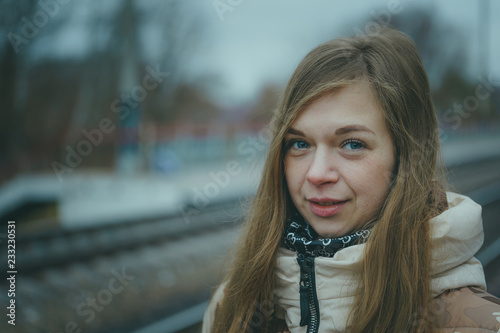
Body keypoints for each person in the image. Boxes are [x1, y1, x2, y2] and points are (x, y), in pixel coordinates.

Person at [202, 28, 500, 333]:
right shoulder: (232, 307)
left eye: (352, 144)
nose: (317, 174)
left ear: (405, 154)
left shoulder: (473, 324)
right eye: (299, 144)